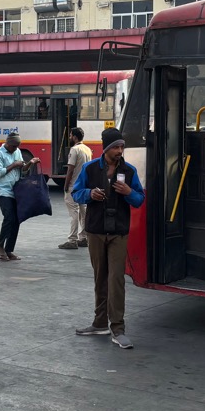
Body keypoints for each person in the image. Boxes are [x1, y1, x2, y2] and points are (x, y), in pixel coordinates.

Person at [72, 127, 144, 349]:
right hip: (95, 231)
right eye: (116, 147)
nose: (120, 151)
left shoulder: (129, 172)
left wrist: (128, 193)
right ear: (106, 149)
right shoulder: (90, 168)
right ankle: (100, 322)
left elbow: (139, 199)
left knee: (116, 279)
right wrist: (89, 194)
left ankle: (118, 328)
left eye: (122, 147)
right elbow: (76, 192)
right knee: (100, 277)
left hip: (118, 233)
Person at [0, 132, 40, 261]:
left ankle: (9, 249)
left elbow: (23, 170)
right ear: (7, 143)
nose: (15, 149)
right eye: (13, 147)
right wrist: (14, 165)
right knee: (9, 217)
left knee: (17, 219)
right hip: (3, 191)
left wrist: (30, 163)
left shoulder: (17, 151)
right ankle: (0, 247)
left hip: (16, 190)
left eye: (16, 147)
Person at [58, 127, 91, 250]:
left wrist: (66, 185)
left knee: (74, 213)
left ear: (75, 137)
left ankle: (72, 240)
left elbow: (70, 169)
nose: (70, 137)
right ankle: (84, 237)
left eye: (71, 135)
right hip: (84, 186)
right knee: (84, 212)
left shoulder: (74, 149)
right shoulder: (87, 149)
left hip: (74, 186)